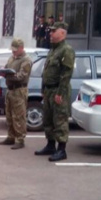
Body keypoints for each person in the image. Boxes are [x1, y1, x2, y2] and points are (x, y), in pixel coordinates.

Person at [34, 21, 74, 162]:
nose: (50, 33)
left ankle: (61, 150)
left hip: (58, 90)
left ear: (62, 33)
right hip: (49, 90)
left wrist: (60, 93)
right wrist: (43, 90)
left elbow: (66, 73)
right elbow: (46, 71)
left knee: (60, 120)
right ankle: (50, 145)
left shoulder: (66, 50)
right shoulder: (53, 50)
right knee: (48, 120)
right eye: (50, 31)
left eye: (53, 31)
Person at [0, 38, 32, 150]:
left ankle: (20, 139)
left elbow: (21, 76)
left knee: (19, 116)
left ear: (21, 48)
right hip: (10, 89)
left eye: (15, 50)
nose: (13, 52)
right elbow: (7, 67)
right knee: (9, 115)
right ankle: (11, 136)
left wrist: (7, 75)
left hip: (19, 90)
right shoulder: (12, 58)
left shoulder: (26, 60)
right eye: (12, 50)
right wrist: (3, 71)